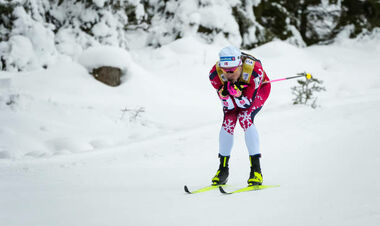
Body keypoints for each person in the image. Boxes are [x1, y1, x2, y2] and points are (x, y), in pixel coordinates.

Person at [208, 46, 271, 186]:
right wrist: (225, 96)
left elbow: (245, 105)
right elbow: (229, 108)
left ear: (240, 65)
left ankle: (256, 170)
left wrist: (238, 94)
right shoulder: (214, 74)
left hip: (259, 89)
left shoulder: (255, 70)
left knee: (244, 117)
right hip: (239, 94)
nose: (228, 75)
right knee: (228, 122)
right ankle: (222, 170)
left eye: (232, 71)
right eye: (225, 71)